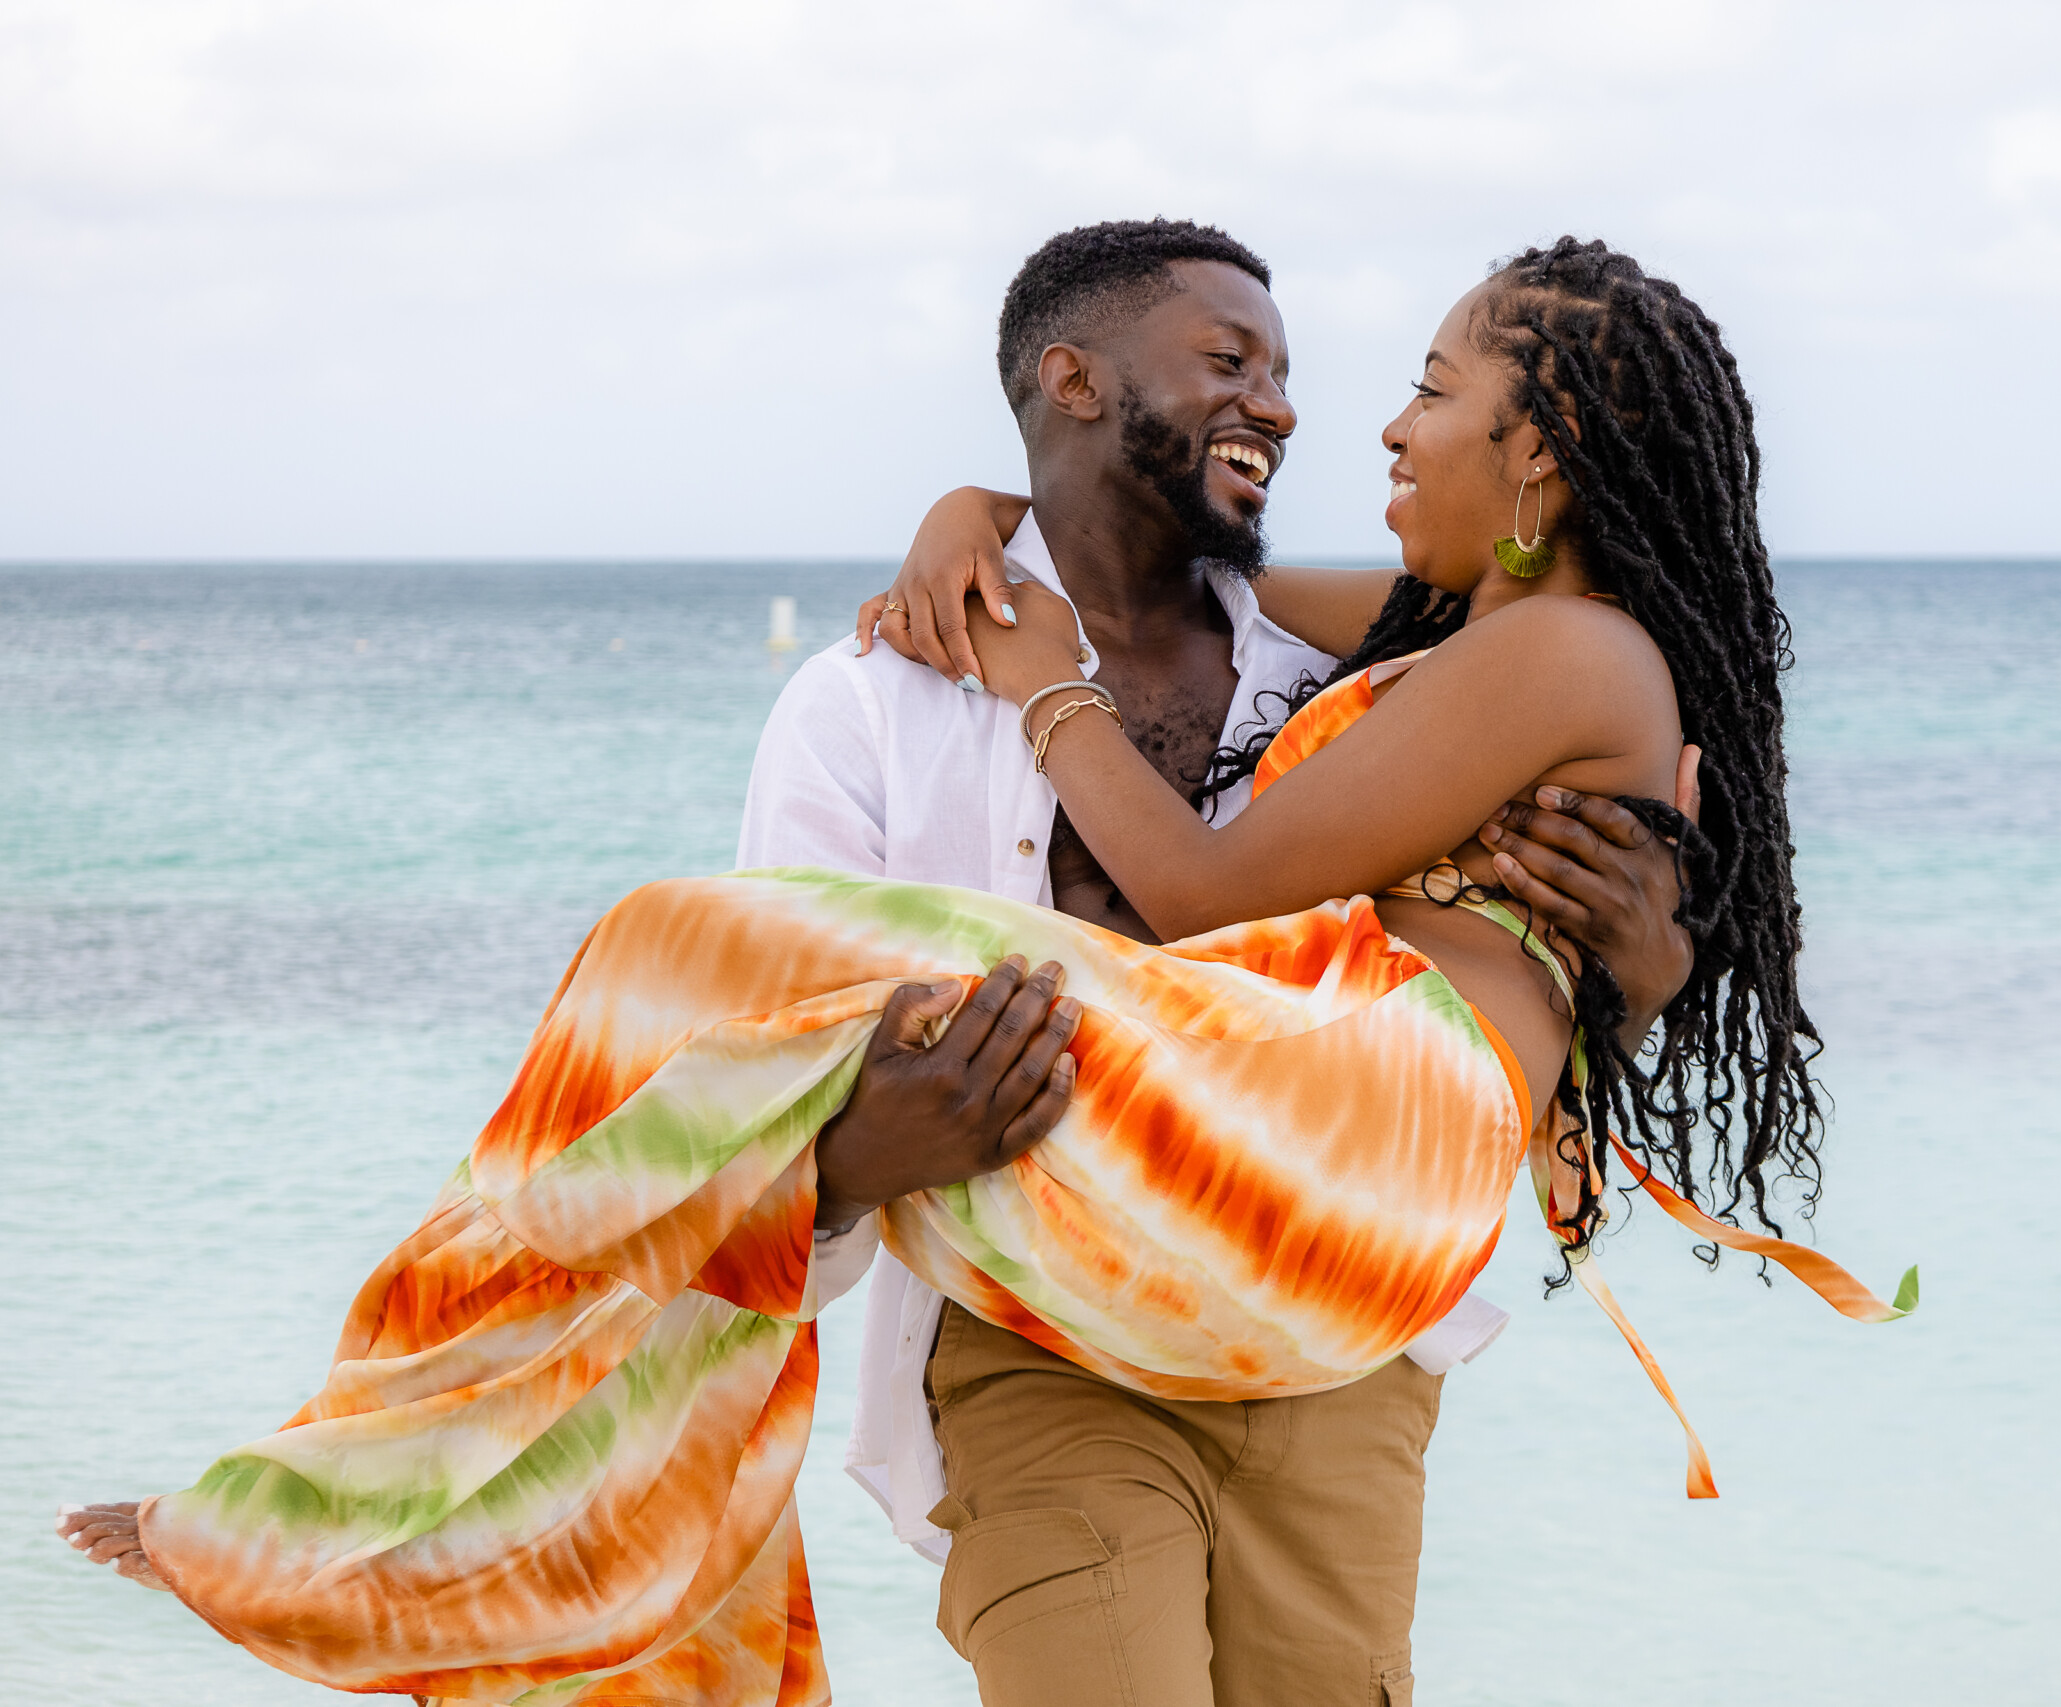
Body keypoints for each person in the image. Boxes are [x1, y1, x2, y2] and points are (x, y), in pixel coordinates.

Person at [55, 226, 1911, 1707]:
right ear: (1074, 384)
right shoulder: (1270, 657)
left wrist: (1048, 693)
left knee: (672, 972)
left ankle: (372, 1515)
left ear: (1544, 456)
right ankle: (386, 1521)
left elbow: (1202, 893)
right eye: (1236, 364)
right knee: (709, 1054)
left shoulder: (1500, 662)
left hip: (1332, 1217)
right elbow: (1236, 609)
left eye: (1417, 391)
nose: (1344, 418)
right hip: (1111, 1307)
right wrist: (975, 518)